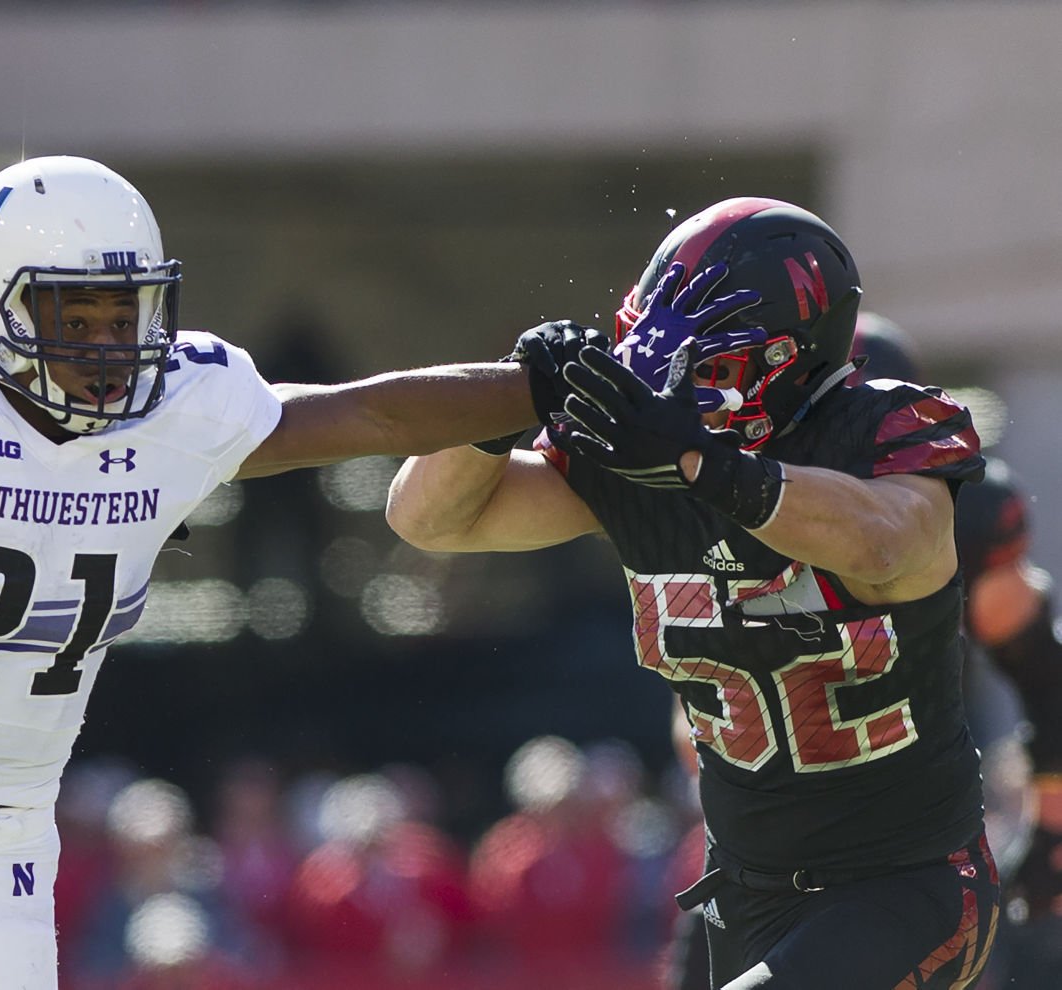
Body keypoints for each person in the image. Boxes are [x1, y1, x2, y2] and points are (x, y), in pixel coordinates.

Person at [0, 155, 549, 990]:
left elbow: (375, 418)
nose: (106, 347)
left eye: (124, 317)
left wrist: (541, 386)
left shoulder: (175, 416)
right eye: (72, 319)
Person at [386, 197, 1000, 989]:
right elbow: (426, 519)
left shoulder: (881, 430)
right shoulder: (641, 458)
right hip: (742, 890)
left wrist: (703, 466)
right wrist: (507, 400)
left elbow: (886, 543)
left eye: (712, 369)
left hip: (902, 882)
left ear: (792, 361)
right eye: (664, 358)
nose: (679, 391)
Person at [850, 313, 1062, 990]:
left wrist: (1053, 826)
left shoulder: (966, 513)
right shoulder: (735, 501)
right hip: (776, 833)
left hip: (922, 825)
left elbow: (1047, 677)